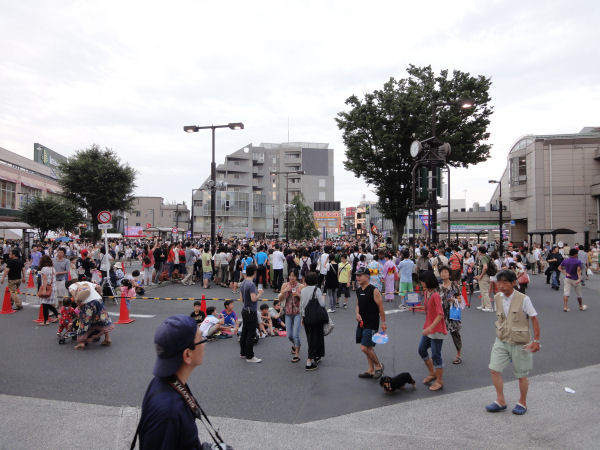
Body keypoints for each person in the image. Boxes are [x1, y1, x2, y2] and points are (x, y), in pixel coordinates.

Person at [135, 315, 220, 450]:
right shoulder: (169, 412)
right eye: (201, 339)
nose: (204, 343)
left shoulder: (161, 382)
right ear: (187, 355)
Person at [486, 270, 540, 415]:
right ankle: (500, 400)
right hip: (502, 339)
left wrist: (536, 341)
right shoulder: (497, 297)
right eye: (499, 282)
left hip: (520, 342)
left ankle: (522, 402)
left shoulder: (524, 299)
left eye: (505, 282)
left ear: (514, 283)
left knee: (521, 374)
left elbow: (534, 318)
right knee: (494, 369)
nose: (501, 285)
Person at [354, 266, 386, 379]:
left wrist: (383, 322)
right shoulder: (358, 290)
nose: (357, 277)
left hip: (372, 323)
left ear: (367, 276)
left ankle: (378, 366)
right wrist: (357, 313)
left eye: (360, 275)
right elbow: (358, 304)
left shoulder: (374, 290)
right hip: (362, 322)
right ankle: (371, 370)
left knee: (364, 347)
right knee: (368, 348)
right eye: (356, 275)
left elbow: (381, 308)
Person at [418, 270, 447, 391]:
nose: (421, 283)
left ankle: (439, 381)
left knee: (436, 355)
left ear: (427, 281)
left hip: (437, 329)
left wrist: (430, 328)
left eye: (422, 281)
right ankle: (432, 373)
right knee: (422, 349)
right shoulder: (426, 293)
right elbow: (427, 309)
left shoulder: (435, 295)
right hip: (429, 327)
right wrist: (414, 307)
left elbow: (440, 314)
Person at [67, 280, 114, 349]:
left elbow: (75, 298)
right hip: (98, 300)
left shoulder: (71, 287)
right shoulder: (86, 282)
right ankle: (107, 338)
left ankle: (81, 342)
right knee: (103, 319)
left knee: (84, 322)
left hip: (88, 304)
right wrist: (100, 294)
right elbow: (98, 287)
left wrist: (79, 305)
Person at [300, 271, 325, 371]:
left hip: (306, 317)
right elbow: (322, 304)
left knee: (310, 337)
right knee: (316, 337)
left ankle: (315, 355)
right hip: (316, 317)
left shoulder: (303, 290)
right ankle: (309, 361)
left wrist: (302, 317)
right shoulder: (317, 289)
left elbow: (301, 305)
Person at [439, 266, 464, 365]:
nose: (443, 274)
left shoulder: (454, 286)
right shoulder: (439, 287)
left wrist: (453, 300)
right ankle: (436, 354)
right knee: (438, 334)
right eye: (442, 272)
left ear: (449, 274)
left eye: (445, 272)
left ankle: (458, 354)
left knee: (455, 334)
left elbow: (460, 300)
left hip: (452, 313)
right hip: (441, 314)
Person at [239, 264, 263, 363]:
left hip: (244, 310)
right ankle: (250, 356)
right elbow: (253, 298)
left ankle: (243, 353)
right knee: (250, 334)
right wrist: (260, 294)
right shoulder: (251, 284)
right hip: (251, 311)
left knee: (244, 332)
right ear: (254, 273)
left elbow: (241, 299)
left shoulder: (243, 282)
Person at [279, 268, 303, 363]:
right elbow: (280, 299)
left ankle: (297, 354)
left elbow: (304, 300)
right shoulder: (285, 285)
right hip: (288, 312)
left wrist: (298, 294)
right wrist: (285, 291)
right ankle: (295, 345)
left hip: (297, 312)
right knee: (289, 335)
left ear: (297, 276)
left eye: (293, 276)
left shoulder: (301, 286)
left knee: (295, 335)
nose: (291, 278)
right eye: (290, 275)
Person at [38, 255, 60, 325]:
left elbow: (44, 280)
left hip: (47, 288)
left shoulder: (44, 269)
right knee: (47, 304)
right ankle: (57, 315)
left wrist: (44, 289)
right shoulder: (53, 268)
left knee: (45, 304)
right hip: (52, 287)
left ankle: (46, 321)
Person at [475, 246, 493, 312]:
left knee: (484, 292)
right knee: (483, 291)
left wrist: (480, 276)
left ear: (480, 251)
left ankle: (488, 306)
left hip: (484, 276)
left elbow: (485, 267)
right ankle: (483, 305)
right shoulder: (488, 257)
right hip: (488, 276)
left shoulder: (483, 258)